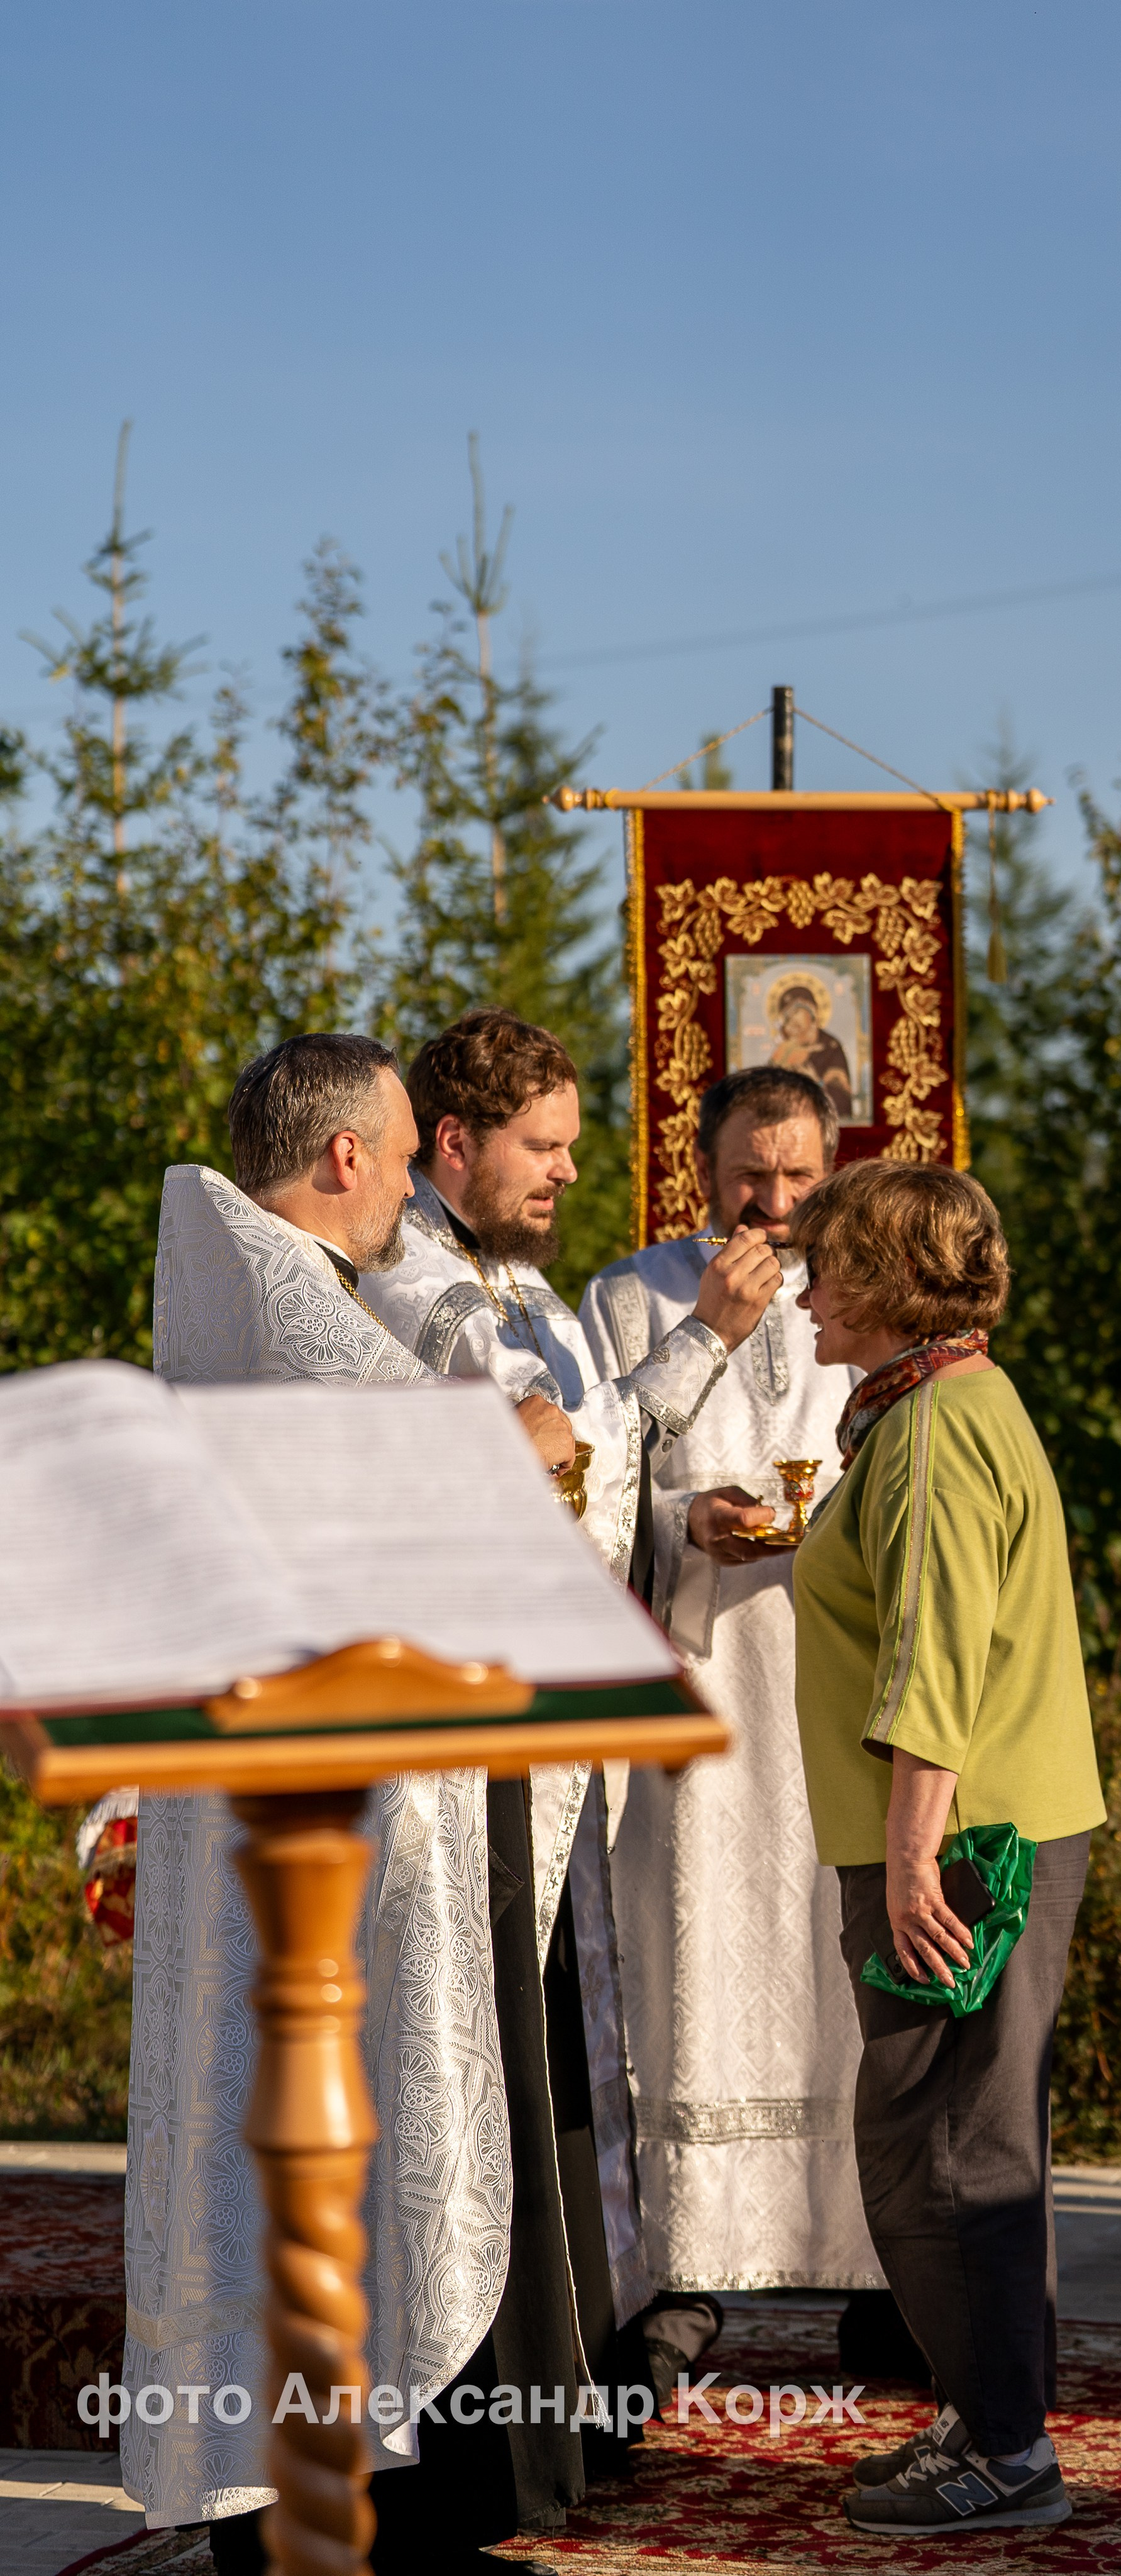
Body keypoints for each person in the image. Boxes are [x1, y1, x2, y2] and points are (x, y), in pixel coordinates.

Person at [122, 1035, 570, 2575]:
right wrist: (557, 1441)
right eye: (392, 1158)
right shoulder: (309, 1309)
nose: (398, 1198)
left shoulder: (230, 1288)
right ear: (345, 1162)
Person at [359, 1007, 783, 2433]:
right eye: (541, 1149)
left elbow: (600, 1479)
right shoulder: (419, 1286)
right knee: (491, 2076)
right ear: (457, 1144)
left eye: (573, 1149)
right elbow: (553, 1481)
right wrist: (697, 1358)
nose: (564, 1176)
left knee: (560, 2063)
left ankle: (571, 2375)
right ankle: (490, 2395)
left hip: (552, 1751)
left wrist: (659, 1495)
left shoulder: (522, 1291)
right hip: (468, 1747)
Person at [787, 1158, 1105, 2538]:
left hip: (967, 1844)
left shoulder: (928, 1432)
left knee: (944, 2146)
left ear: (882, 1279)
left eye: (823, 1262)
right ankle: (990, 2419)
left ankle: (1009, 2450)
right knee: (962, 2135)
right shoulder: (946, 1404)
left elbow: (935, 1657)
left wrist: (914, 1857)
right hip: (979, 1828)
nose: (803, 1288)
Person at [580, 1067, 881, 2302]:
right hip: (696, 1698)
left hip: (830, 1685)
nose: (773, 1202)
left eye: (798, 1176)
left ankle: (873, 2266)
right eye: (750, 1175)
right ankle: (691, 2276)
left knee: (843, 1971)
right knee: (692, 1962)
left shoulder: (865, 1301)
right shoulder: (632, 1295)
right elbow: (585, 1477)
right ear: (702, 1167)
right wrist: (675, 1516)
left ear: (832, 1168)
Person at [768, 980, 854, 1121]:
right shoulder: (784, 1051)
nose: (792, 1020)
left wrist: (816, 1083)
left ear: (812, 1012)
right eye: (787, 1016)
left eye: (796, 1011)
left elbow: (841, 1101)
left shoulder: (831, 1048)